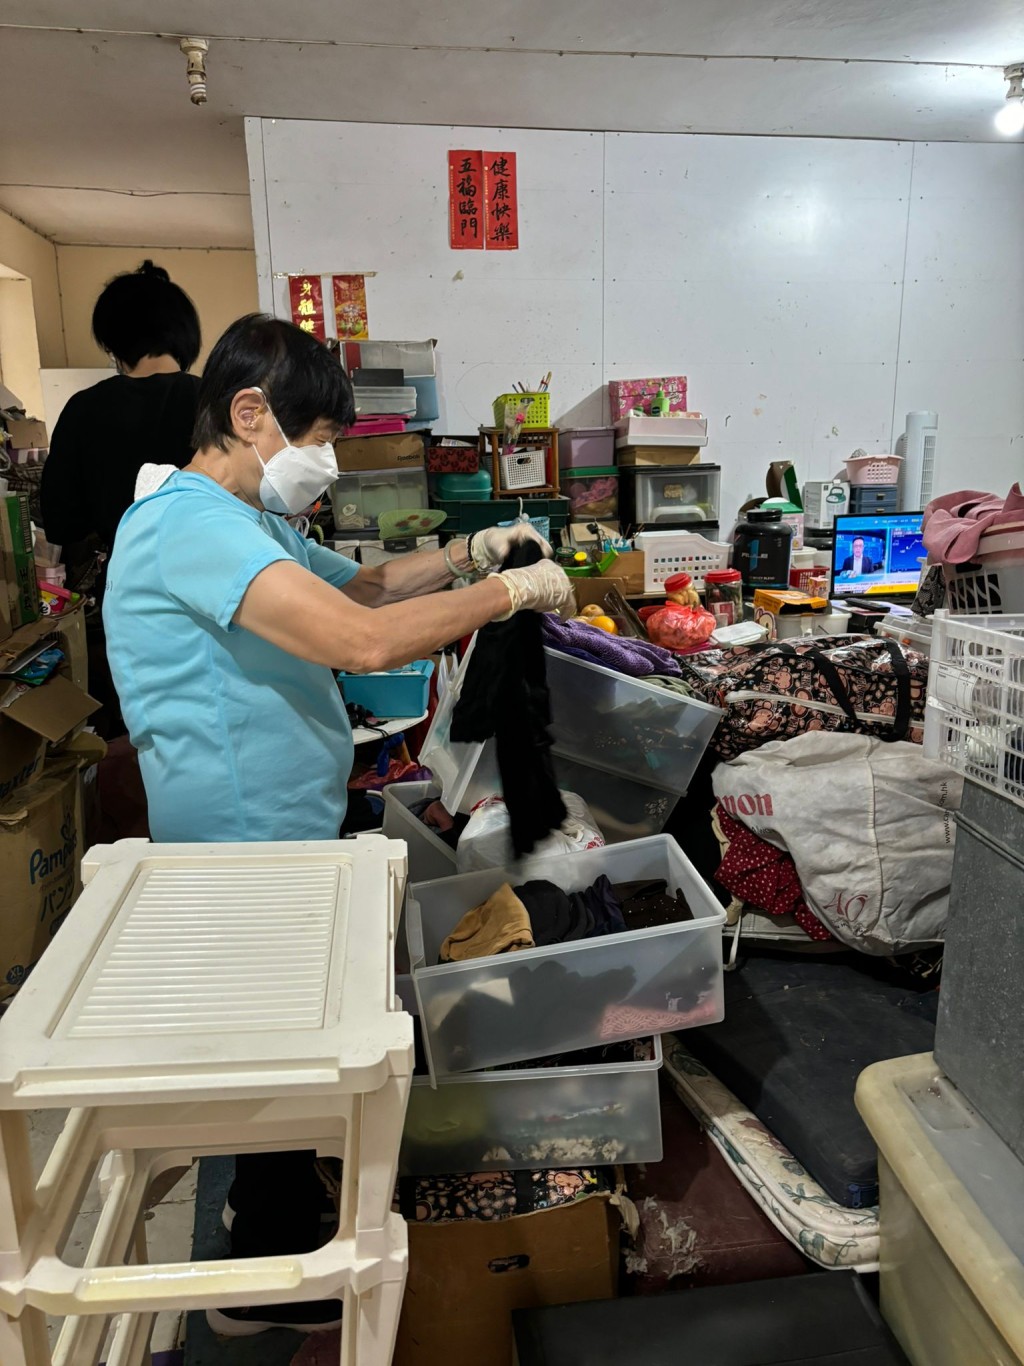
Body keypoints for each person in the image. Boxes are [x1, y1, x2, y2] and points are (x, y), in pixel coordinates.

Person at [103, 312, 573, 1336]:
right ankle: (256, 1280)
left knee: (285, 1038)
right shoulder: (186, 527)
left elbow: (360, 585)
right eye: (316, 437)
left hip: (280, 827)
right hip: (238, 841)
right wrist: (508, 591)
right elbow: (361, 640)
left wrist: (462, 553)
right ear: (247, 413)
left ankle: (267, 1209)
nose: (325, 462)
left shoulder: (245, 523)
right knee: (277, 1049)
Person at [39, 260, 202, 735]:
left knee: (144, 732)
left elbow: (61, 523)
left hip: (133, 595)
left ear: (112, 342)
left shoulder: (85, 410)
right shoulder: (215, 399)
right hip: (220, 587)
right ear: (184, 337)